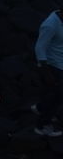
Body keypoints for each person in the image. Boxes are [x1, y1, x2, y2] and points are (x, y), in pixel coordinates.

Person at [34, 8, 63, 137]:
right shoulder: (50, 25)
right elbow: (39, 47)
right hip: (54, 65)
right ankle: (42, 126)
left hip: (60, 62)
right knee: (57, 97)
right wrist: (46, 72)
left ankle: (40, 108)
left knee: (51, 93)